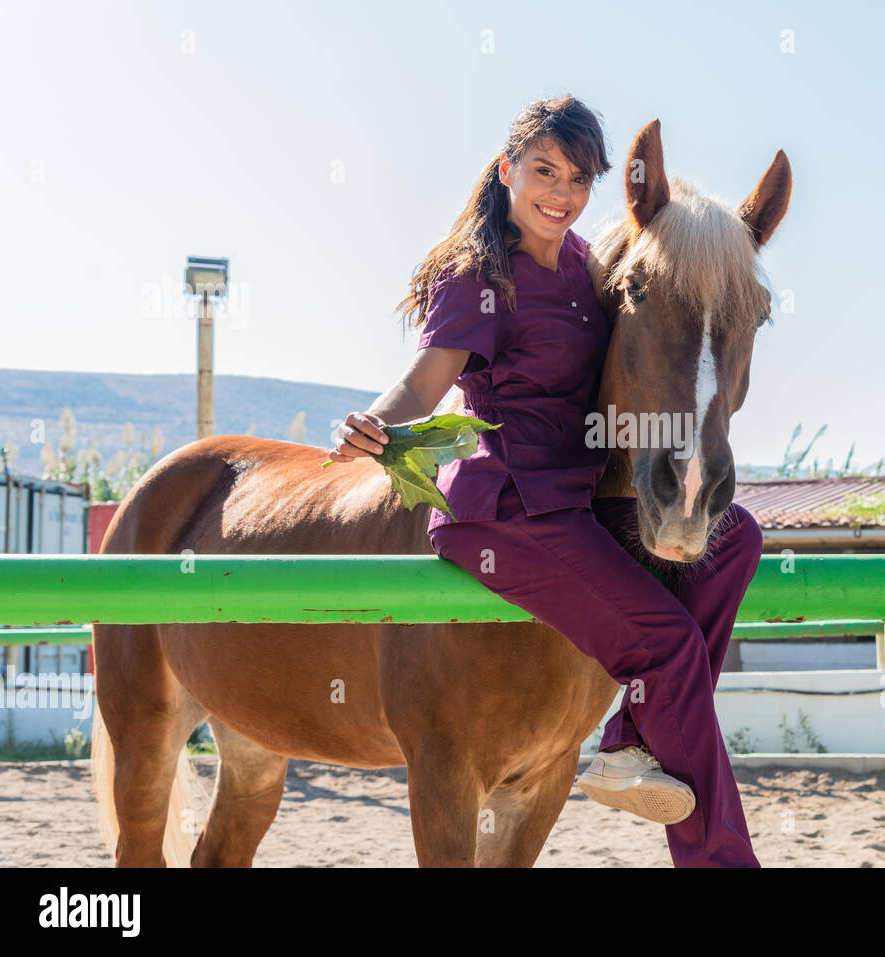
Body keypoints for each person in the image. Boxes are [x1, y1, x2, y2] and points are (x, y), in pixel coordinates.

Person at [327, 96, 763, 868]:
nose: (560, 193)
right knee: (663, 642)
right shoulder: (478, 275)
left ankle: (631, 735)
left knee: (738, 541)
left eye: (578, 179)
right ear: (508, 172)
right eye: (544, 172)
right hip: (509, 506)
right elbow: (423, 385)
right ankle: (721, 860)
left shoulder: (589, 267)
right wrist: (374, 428)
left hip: (580, 501)